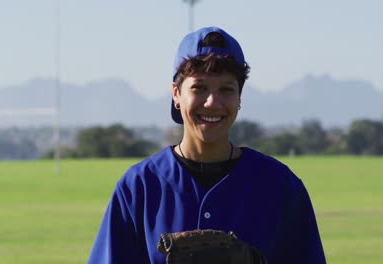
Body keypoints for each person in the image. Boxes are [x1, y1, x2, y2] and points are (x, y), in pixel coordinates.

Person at [88, 26, 326, 263]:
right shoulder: (140, 186)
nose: (212, 102)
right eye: (199, 88)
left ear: (239, 97)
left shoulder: (280, 186)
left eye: (226, 89)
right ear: (176, 94)